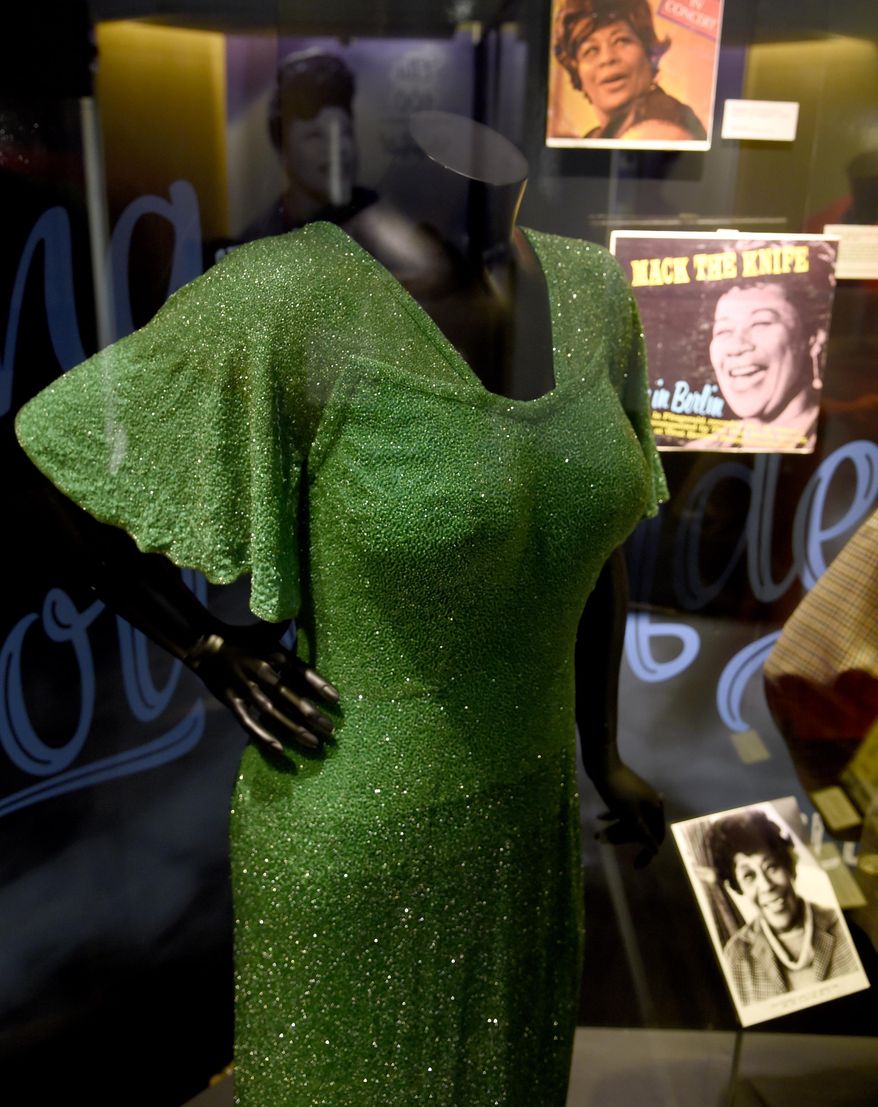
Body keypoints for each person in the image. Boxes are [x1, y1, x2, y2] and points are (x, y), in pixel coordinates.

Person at [16, 113, 666, 1104]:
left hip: (532, 817)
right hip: (359, 827)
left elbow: (595, 553)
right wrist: (203, 642)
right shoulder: (288, 297)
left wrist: (601, 754)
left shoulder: (594, 290)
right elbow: (55, 454)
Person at [707, 810, 858, 1006]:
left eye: (771, 866)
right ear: (737, 886)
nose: (766, 885)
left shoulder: (842, 924)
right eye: (749, 876)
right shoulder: (735, 956)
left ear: (790, 867)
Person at [248, 49, 377, 238]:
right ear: (282, 149)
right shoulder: (261, 240)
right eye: (315, 136)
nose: (339, 149)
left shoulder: (380, 226)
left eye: (345, 132)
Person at [705, 267, 830, 451]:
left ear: (812, 341)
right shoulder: (705, 449)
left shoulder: (838, 445)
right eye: (724, 330)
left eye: (761, 322)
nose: (736, 346)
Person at [553, 0, 706, 142]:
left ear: (649, 53)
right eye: (591, 50)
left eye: (621, 41)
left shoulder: (663, 120)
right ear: (577, 73)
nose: (607, 58)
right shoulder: (597, 136)